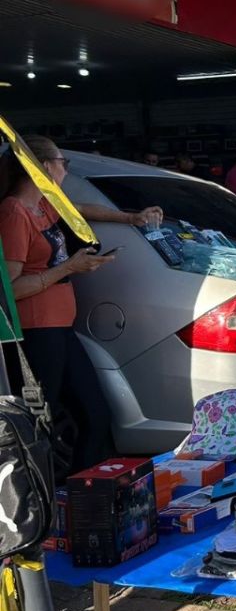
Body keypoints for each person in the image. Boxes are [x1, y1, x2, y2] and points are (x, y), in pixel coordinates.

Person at [0, 136, 163, 474]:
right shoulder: (14, 211)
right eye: (64, 163)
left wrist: (131, 218)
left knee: (94, 412)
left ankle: (87, 491)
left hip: (60, 328)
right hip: (36, 332)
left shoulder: (43, 203)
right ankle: (43, 500)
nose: (65, 171)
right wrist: (68, 268)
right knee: (42, 420)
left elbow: (78, 211)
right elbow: (10, 288)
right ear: (44, 167)